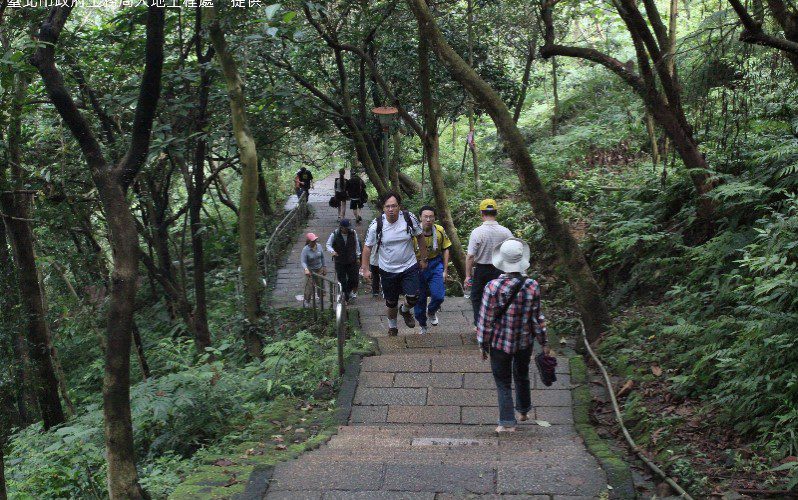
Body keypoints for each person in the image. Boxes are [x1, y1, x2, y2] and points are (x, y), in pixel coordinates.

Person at [477, 238, 550, 433]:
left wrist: (483, 345)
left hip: (499, 342)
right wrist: (544, 341)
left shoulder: (492, 287)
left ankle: (506, 422)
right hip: (524, 341)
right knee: (522, 374)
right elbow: (537, 317)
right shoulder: (532, 285)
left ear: (502, 261)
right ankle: (524, 411)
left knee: (502, 381)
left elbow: (485, 320)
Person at [361, 191, 428, 336]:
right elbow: (367, 247)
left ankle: (404, 310)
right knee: (391, 302)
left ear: (399, 206)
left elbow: (420, 237)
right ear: (383, 208)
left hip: (409, 265)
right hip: (387, 269)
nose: (391, 209)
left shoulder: (409, 218)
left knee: (413, 297)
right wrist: (365, 269)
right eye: (387, 207)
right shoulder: (377, 225)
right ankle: (392, 327)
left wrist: (424, 258)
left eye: (394, 206)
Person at [465, 199, 513, 327]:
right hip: (501, 270)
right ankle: (499, 324)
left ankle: (479, 324)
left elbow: (470, 256)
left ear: (482, 213)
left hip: (482, 270)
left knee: (477, 297)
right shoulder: (506, 232)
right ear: (496, 212)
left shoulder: (477, 232)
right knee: (500, 297)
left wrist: (468, 276)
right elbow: (512, 251)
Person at [414, 205, 452, 335]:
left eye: (431, 217)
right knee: (419, 298)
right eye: (425, 217)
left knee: (439, 295)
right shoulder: (413, 232)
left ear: (434, 218)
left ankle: (431, 311)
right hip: (417, 266)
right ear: (420, 217)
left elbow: (446, 248)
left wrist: (445, 270)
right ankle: (422, 324)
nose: (428, 219)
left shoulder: (440, 230)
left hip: (435, 264)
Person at [326, 219, 361, 302]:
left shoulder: (353, 233)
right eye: (346, 228)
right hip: (340, 261)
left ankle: (347, 293)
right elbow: (328, 245)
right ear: (341, 228)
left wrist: (358, 256)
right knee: (342, 280)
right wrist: (332, 251)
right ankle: (345, 298)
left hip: (351, 260)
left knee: (354, 279)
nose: (348, 229)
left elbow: (357, 244)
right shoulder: (335, 234)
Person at [300, 232, 326, 307]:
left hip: (319, 269)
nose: (314, 242)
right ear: (308, 241)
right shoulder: (305, 250)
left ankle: (321, 299)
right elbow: (303, 261)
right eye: (312, 241)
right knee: (309, 286)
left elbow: (322, 257)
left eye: (315, 240)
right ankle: (307, 300)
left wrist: (324, 267)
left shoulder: (319, 246)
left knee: (321, 285)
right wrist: (306, 269)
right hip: (310, 270)